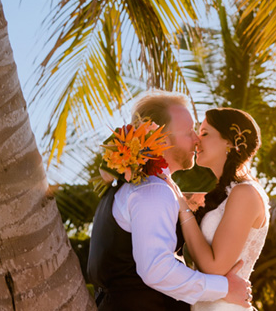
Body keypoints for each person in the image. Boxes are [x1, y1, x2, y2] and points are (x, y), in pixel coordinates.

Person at [87, 91, 253, 310]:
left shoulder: (132, 188)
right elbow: (156, 269)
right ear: (163, 139)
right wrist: (225, 288)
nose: (197, 139)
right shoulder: (154, 190)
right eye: (189, 132)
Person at [166, 108, 269, 311]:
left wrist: (182, 206)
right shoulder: (223, 195)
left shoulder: (245, 193)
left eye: (204, 133)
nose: (196, 139)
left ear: (230, 142)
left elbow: (214, 267)